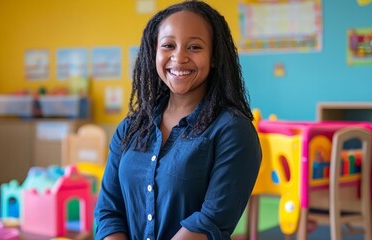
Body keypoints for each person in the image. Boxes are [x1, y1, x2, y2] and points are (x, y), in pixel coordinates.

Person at [94, 1, 262, 239]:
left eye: (194, 47)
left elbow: (209, 222)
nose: (179, 57)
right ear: (154, 53)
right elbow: (109, 212)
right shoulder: (130, 128)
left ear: (214, 56)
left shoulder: (233, 131)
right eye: (168, 45)